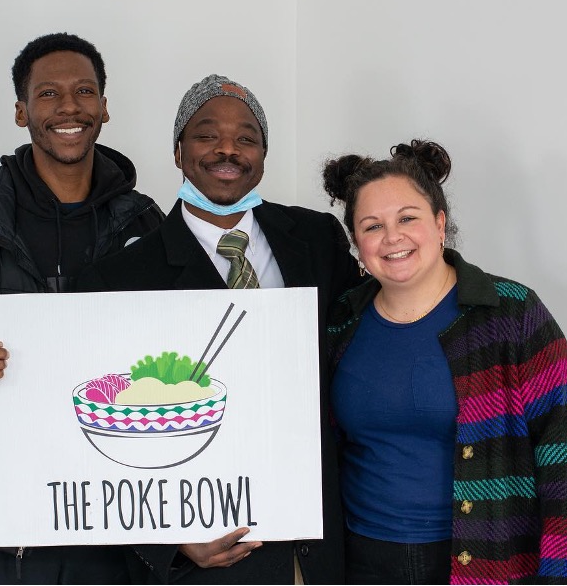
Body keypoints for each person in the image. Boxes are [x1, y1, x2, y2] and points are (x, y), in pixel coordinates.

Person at [0, 32, 164, 584]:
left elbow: (171, 357)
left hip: (114, 527)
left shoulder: (145, 224)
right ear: (21, 111)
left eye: (84, 91)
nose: (69, 107)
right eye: (48, 94)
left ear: (104, 108)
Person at [76, 74, 362, 584]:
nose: (228, 148)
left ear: (263, 155)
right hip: (213, 563)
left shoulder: (318, 240)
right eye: (207, 134)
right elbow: (102, 437)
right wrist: (167, 538)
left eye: (247, 137)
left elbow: (361, 349)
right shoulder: (120, 278)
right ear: (179, 152)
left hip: (317, 548)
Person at [321, 140, 567, 584]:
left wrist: (565, 576)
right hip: (360, 562)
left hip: (486, 560)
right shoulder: (340, 321)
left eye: (407, 218)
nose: (392, 238)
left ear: (440, 222)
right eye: (372, 226)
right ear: (357, 243)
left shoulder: (513, 314)